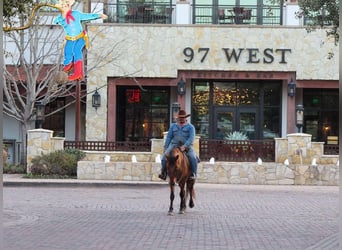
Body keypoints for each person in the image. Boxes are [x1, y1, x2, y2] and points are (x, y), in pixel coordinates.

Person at [53, 0, 107, 81]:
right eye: (63, 6)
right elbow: (55, 21)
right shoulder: (60, 18)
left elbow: (87, 16)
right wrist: (62, 16)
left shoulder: (76, 14)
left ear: (69, 6)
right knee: (67, 51)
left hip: (80, 37)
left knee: (76, 50)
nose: (65, 7)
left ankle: (78, 73)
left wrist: (98, 15)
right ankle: (68, 64)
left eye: (66, 6)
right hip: (70, 39)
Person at [159, 110, 198, 180]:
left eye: (183, 117)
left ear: (186, 118)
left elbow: (191, 138)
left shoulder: (191, 127)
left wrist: (185, 146)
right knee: (164, 158)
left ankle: (193, 174)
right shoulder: (173, 126)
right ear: (178, 118)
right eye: (180, 118)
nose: (181, 119)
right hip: (174, 145)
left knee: (193, 158)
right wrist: (166, 147)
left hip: (187, 146)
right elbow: (169, 137)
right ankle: (163, 173)